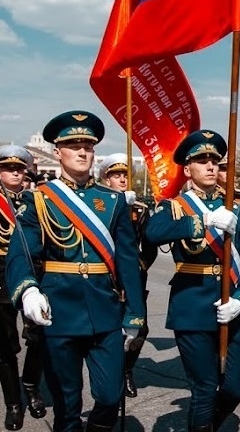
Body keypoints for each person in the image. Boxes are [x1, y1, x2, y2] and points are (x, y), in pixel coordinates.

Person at [6, 110, 146, 432]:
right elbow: (21, 251)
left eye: (88, 145)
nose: (82, 152)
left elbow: (127, 260)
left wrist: (135, 315)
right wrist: (27, 288)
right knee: (67, 406)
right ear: (58, 152)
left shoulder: (112, 201)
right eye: (73, 145)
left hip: (105, 312)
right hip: (60, 312)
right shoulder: (39, 199)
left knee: (110, 397)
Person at [144, 130, 240, 431]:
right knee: (205, 388)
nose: (211, 167)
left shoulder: (235, 207)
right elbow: (153, 233)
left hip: (231, 305)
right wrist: (203, 220)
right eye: (202, 161)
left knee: (234, 387)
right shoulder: (173, 207)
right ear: (187, 169)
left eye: (215, 161)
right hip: (192, 306)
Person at [0, 146, 47, 430]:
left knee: (39, 336)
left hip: (34, 270)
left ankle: (30, 386)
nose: (15, 172)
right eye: (8, 168)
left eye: (19, 168)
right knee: (4, 345)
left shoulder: (38, 200)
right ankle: (13, 403)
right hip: (2, 272)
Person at [97, 153, 157, 399]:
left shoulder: (140, 209)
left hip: (132, 278)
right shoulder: (100, 205)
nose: (121, 179)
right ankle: (111, 373)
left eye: (125, 175)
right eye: (116, 175)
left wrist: (140, 264)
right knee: (108, 328)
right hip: (107, 277)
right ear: (106, 178)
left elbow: (150, 243)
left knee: (139, 328)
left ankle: (127, 370)